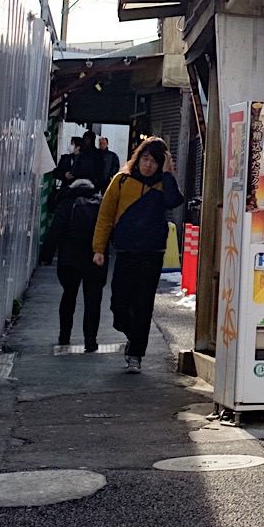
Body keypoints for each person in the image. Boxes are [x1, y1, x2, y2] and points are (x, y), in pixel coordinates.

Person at [92, 137, 182, 373]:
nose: (148, 165)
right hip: (125, 251)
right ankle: (133, 335)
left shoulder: (163, 185)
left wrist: (168, 173)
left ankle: (136, 355)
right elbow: (105, 215)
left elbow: (174, 201)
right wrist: (99, 248)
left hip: (152, 254)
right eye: (145, 159)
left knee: (143, 305)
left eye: (154, 161)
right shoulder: (121, 181)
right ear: (137, 159)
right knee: (118, 306)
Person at [41, 177, 107, 351]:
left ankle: (64, 336)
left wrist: (46, 256)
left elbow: (55, 230)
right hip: (95, 259)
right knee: (93, 300)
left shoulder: (66, 203)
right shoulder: (101, 204)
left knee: (69, 296)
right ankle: (90, 341)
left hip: (70, 259)